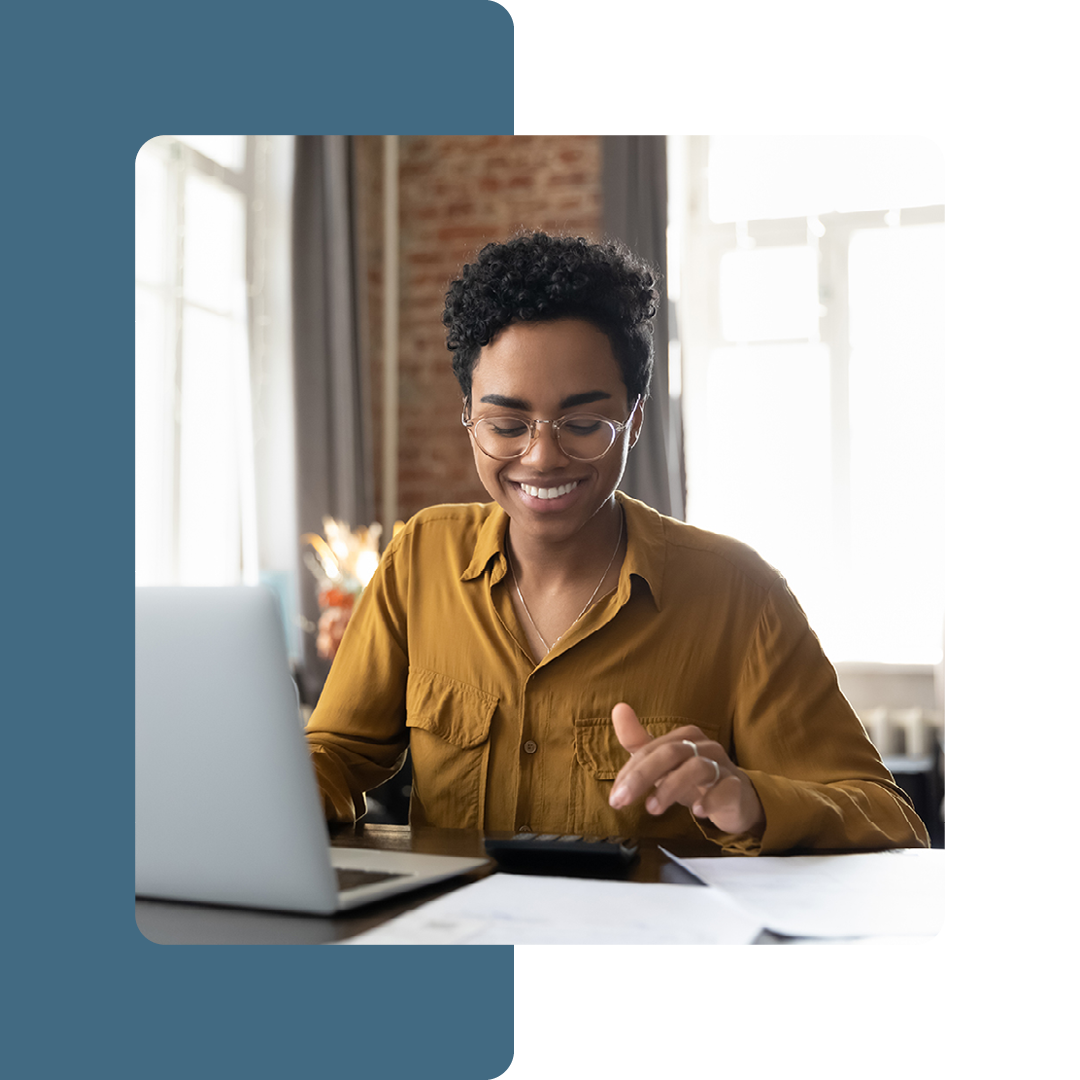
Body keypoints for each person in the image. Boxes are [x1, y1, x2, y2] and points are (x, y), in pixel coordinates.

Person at [304, 231, 928, 853]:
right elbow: (336, 752)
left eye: (582, 423)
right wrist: (285, 782)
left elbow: (889, 819)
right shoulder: (421, 558)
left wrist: (750, 800)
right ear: (468, 417)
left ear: (634, 420)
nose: (542, 457)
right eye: (506, 424)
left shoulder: (740, 595)